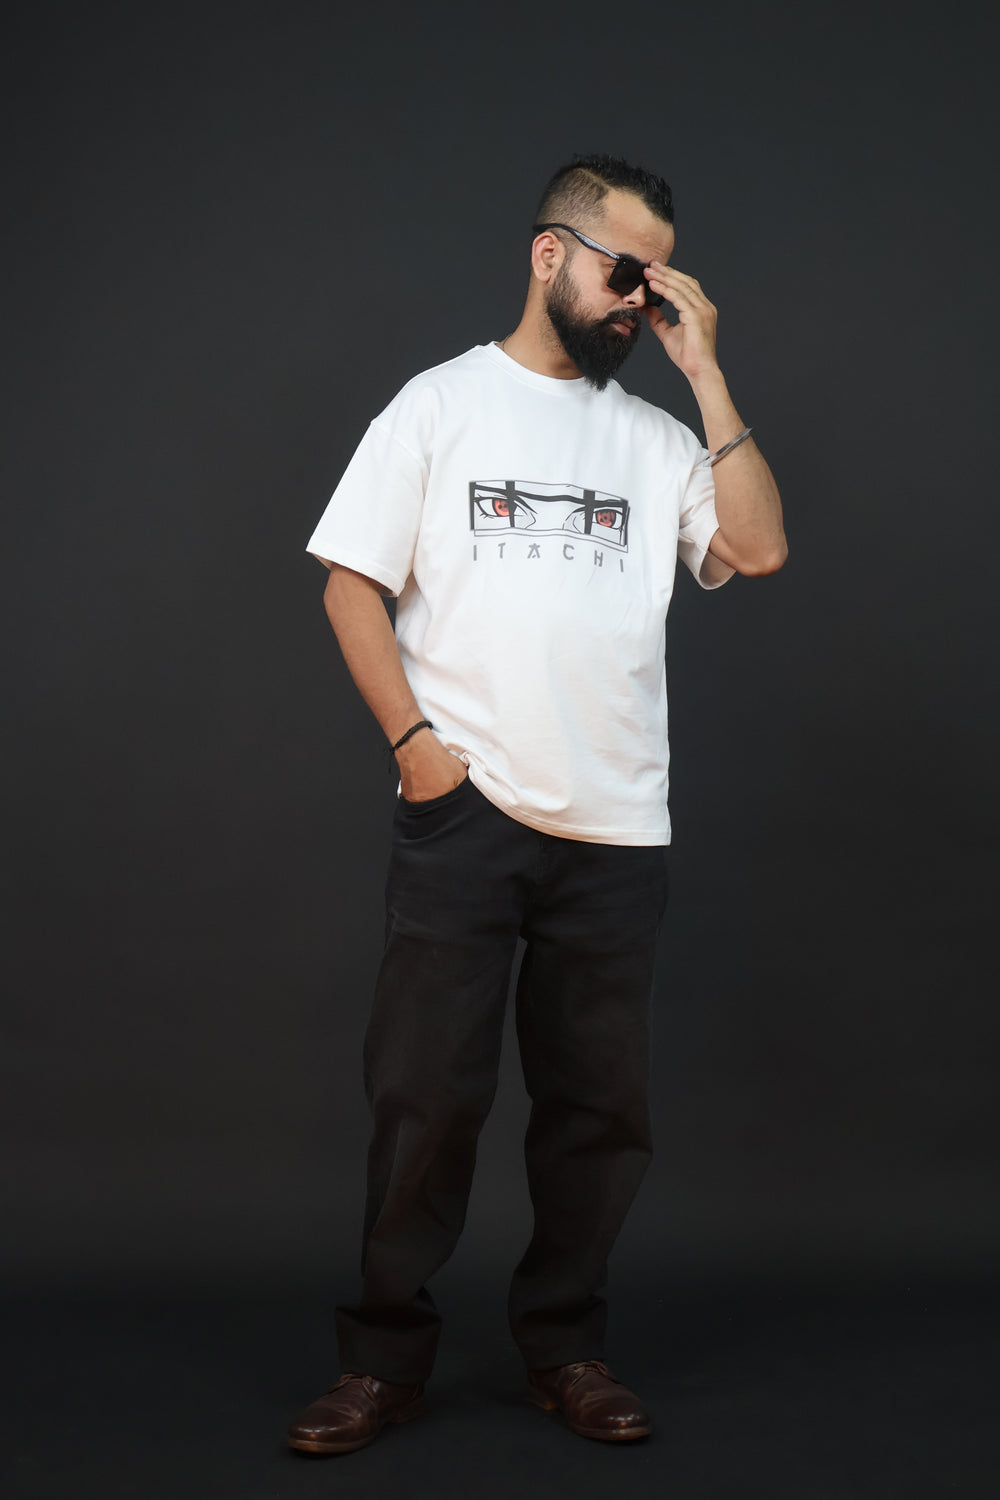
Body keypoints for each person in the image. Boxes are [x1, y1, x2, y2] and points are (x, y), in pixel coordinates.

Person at [287, 152, 787, 1456]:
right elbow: (350, 582)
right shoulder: (440, 405)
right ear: (549, 254)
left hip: (617, 829)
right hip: (468, 815)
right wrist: (416, 749)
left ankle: (564, 1350)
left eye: (660, 278)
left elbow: (756, 548)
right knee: (425, 1103)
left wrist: (705, 372)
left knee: (597, 1120)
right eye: (626, 271)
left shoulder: (658, 439)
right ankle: (382, 1362)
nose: (642, 297)